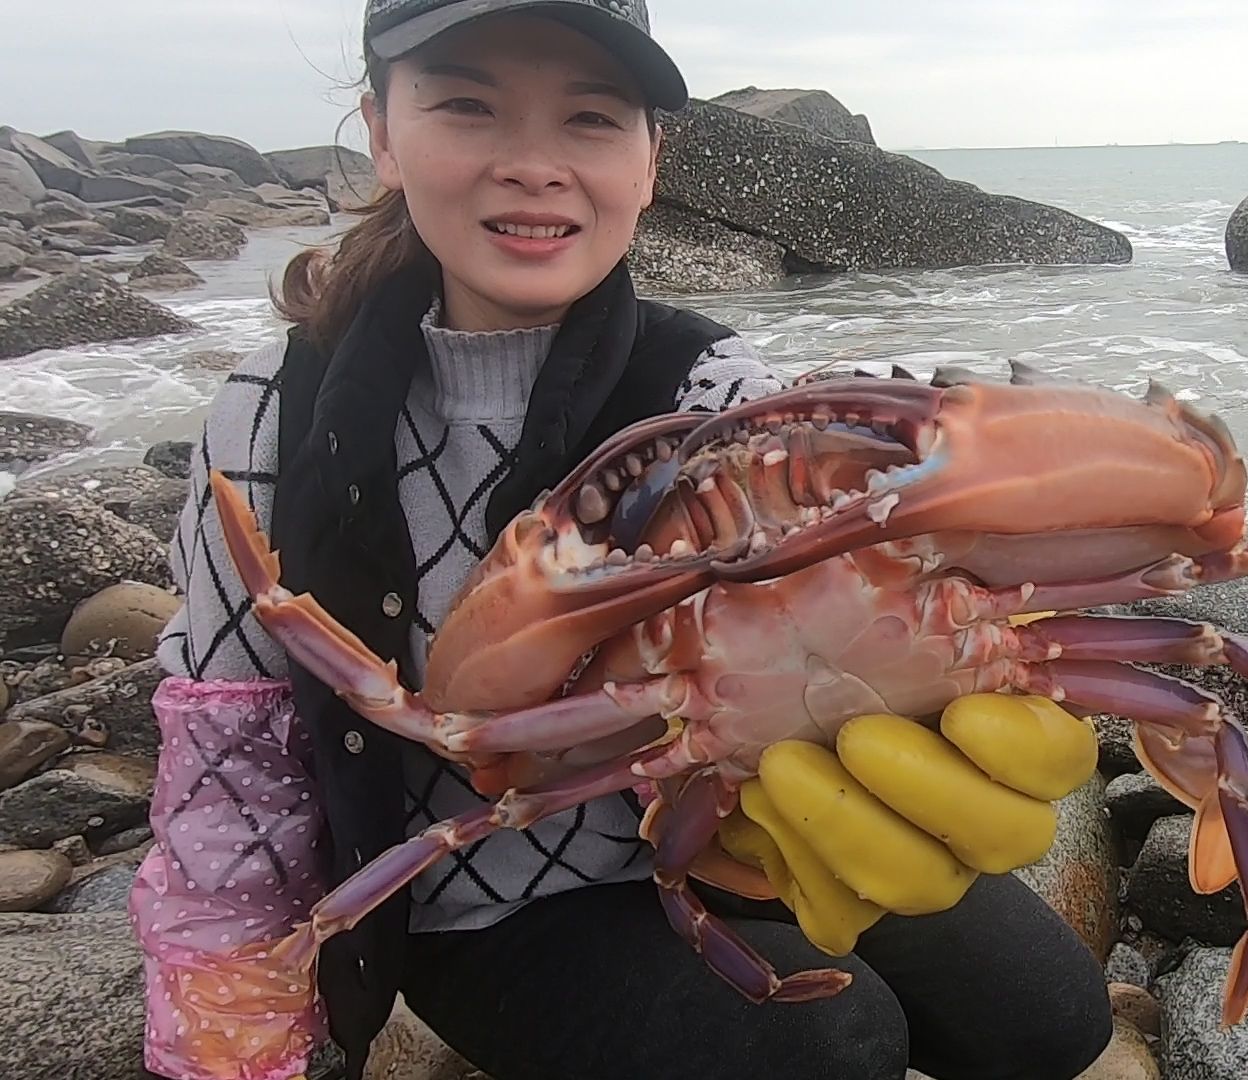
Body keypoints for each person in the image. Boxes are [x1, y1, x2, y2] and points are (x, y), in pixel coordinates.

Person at [128, 2, 1115, 1078]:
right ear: (382, 133)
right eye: (468, 107)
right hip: (471, 890)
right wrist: (231, 1026)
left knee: (1052, 1017)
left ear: (653, 161)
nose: (533, 166)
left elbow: (867, 621)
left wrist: (942, 719)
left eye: (591, 119)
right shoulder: (277, 410)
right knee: (827, 1047)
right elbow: (233, 755)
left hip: (723, 839)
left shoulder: (722, 399)